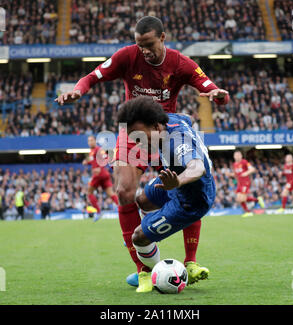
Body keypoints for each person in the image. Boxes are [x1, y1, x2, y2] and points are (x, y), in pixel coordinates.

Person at [55, 16, 229, 290]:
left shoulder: (180, 63)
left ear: (162, 38)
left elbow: (207, 85)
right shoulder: (127, 56)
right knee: (125, 192)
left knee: (185, 187)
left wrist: (218, 94)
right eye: (140, 45)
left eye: (149, 44)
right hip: (133, 132)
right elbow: (93, 76)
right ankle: (143, 271)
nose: (144, 50)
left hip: (164, 131)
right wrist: (77, 91)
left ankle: (191, 262)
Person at [117, 96, 216, 292]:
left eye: (139, 137)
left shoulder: (177, 144)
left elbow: (197, 168)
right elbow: (187, 117)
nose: (137, 143)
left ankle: (155, 270)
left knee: (138, 238)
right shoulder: (171, 119)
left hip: (190, 200)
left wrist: (178, 181)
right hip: (173, 180)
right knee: (142, 200)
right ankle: (152, 228)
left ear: (155, 128)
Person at [82, 135, 118, 221]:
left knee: (89, 192)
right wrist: (86, 162)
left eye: (91, 140)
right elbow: (92, 161)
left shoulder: (98, 149)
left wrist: (99, 166)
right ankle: (122, 208)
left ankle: (98, 212)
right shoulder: (91, 151)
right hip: (104, 174)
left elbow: (104, 157)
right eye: (89, 141)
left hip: (99, 173)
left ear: (95, 141)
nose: (90, 142)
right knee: (111, 194)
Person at [228, 151, 264, 217]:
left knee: (242, 198)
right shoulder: (234, 164)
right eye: (236, 155)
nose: (237, 156)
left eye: (239, 155)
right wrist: (230, 174)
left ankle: (249, 211)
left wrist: (246, 173)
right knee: (239, 199)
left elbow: (252, 169)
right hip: (239, 183)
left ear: (241, 156)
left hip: (245, 182)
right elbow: (236, 174)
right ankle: (257, 201)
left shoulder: (244, 162)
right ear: (234, 156)